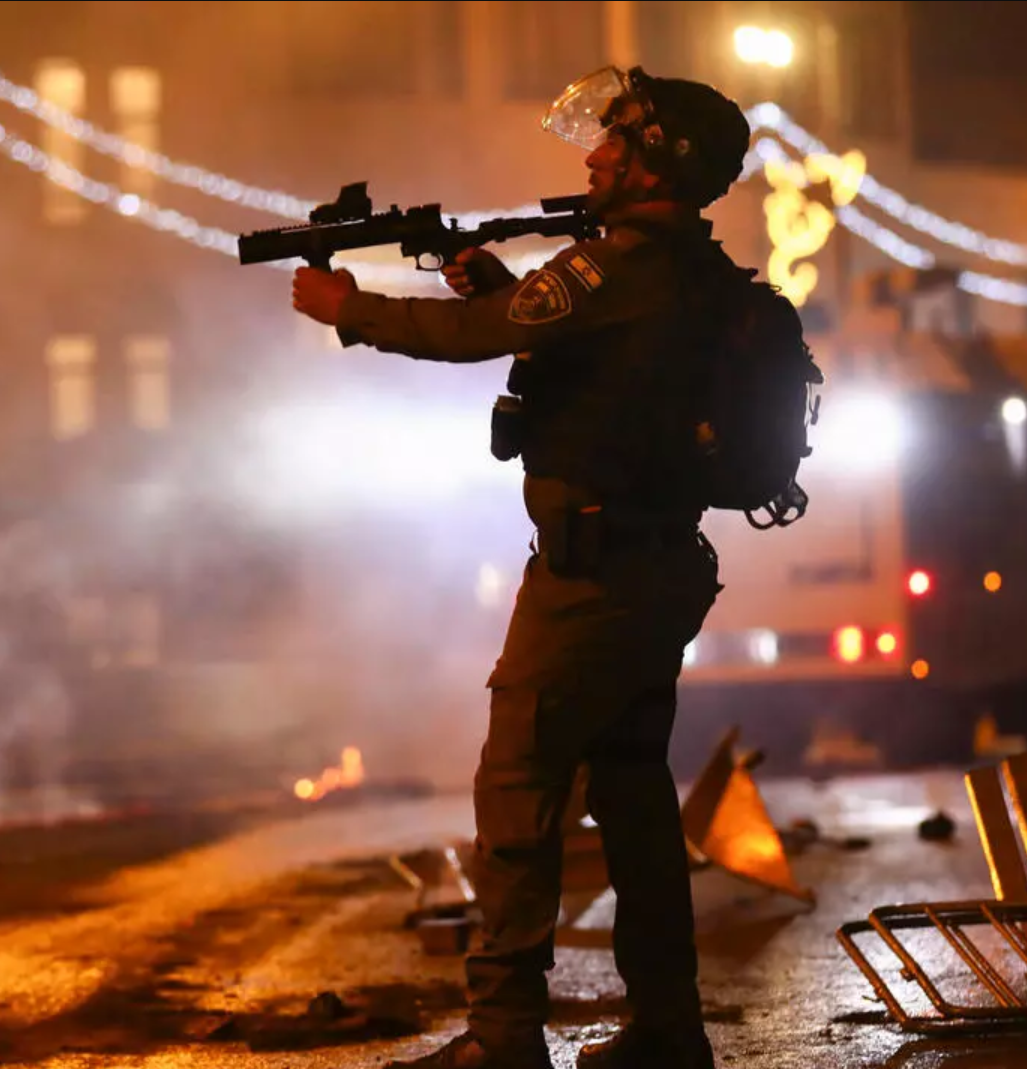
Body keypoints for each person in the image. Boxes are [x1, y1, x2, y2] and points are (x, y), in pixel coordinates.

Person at [288, 66, 753, 1069]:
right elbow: (589, 362)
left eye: (615, 142)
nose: (593, 156)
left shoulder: (617, 264)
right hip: (655, 564)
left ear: (656, 161)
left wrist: (350, 305)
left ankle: (502, 1042)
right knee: (630, 796)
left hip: (593, 579)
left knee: (517, 791)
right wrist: (498, 283)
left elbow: (472, 338)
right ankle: (668, 1034)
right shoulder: (685, 271)